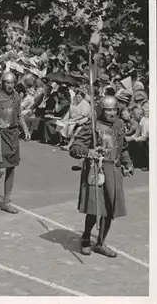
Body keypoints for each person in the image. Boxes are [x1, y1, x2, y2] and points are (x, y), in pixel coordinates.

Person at [69, 95, 134, 257]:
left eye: (114, 109)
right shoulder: (92, 126)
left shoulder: (119, 124)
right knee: (94, 208)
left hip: (114, 170)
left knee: (109, 209)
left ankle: (100, 243)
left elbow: (123, 147)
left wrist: (128, 162)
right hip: (96, 169)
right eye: (108, 110)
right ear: (102, 110)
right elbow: (75, 147)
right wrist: (88, 151)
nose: (112, 113)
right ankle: (85, 237)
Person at [0, 71, 31, 213]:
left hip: (13, 135)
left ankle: (6, 201)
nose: (10, 85)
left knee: (11, 168)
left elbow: (19, 115)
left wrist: (26, 130)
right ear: (2, 83)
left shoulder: (17, 96)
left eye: (12, 82)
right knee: (2, 168)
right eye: (7, 82)